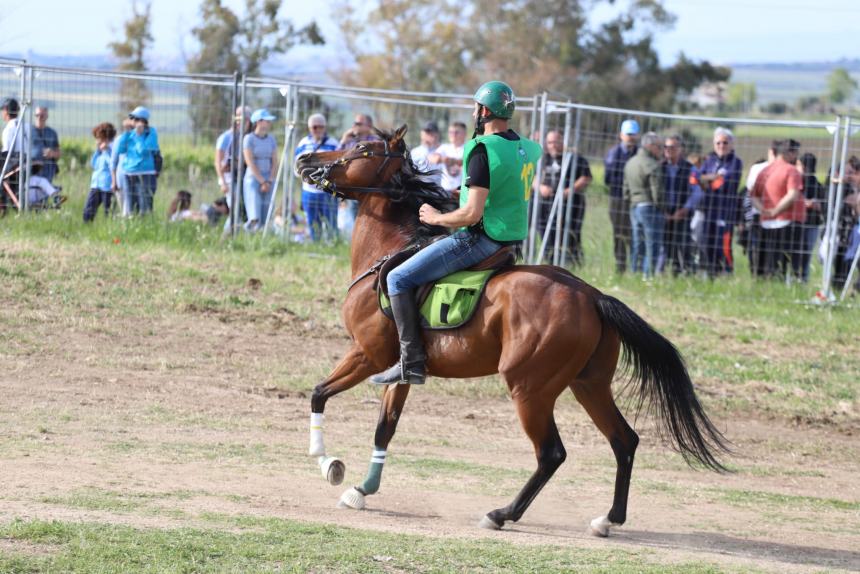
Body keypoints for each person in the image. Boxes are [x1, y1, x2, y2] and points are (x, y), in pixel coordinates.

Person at [370, 80, 541, 386]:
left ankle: (411, 363)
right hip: (511, 239)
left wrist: (437, 217)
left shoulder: (481, 149)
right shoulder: (528, 148)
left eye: (476, 106)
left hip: (479, 239)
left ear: (484, 110)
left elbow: (472, 214)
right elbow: (501, 190)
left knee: (397, 278)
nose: (475, 111)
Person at [750, 139, 804, 281]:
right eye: (796, 153)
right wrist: (776, 210)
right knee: (788, 264)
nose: (797, 156)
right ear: (790, 153)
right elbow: (792, 194)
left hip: (766, 222)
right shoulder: (792, 171)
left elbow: (754, 196)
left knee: (768, 263)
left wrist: (763, 210)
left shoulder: (765, 171)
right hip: (788, 221)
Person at [537, 129, 592, 265]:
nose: (553, 145)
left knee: (571, 234)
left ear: (563, 142)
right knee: (545, 233)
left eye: (556, 142)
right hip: (546, 204)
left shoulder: (575, 158)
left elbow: (586, 178)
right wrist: (540, 187)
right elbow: (531, 176)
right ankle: (550, 262)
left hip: (571, 204)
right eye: (550, 142)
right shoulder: (542, 158)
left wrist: (569, 190)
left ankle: (574, 264)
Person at [699, 127, 743, 277]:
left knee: (723, 245)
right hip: (708, 210)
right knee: (707, 243)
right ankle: (710, 274)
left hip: (726, 211)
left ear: (731, 144)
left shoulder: (736, 162)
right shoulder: (710, 160)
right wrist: (712, 177)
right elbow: (699, 178)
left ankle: (727, 274)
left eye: (725, 142)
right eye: (718, 143)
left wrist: (709, 179)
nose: (721, 146)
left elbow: (725, 181)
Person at [624, 132, 664, 279]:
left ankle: (634, 272)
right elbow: (657, 192)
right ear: (650, 146)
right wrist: (662, 208)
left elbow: (625, 189)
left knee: (637, 242)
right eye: (659, 146)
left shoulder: (630, 162)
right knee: (652, 243)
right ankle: (648, 275)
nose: (661, 150)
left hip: (634, 206)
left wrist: (632, 200)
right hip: (649, 207)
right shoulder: (652, 164)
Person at [661, 134, 703, 275]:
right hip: (663, 213)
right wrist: (662, 211)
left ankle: (685, 273)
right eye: (666, 147)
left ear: (680, 149)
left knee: (683, 245)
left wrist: (685, 209)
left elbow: (697, 192)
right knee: (663, 246)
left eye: (672, 147)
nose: (668, 150)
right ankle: (662, 273)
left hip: (683, 214)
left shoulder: (690, 169)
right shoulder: (659, 167)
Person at [295, 113, 340, 241]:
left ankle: (334, 244)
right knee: (312, 222)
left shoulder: (333, 144)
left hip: (327, 191)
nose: (318, 130)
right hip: (309, 191)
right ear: (309, 128)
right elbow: (296, 165)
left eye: (321, 127)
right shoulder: (303, 143)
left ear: (325, 127)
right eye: (315, 127)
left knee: (331, 221)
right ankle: (316, 244)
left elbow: (339, 167)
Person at [604, 119, 640, 273]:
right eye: (628, 134)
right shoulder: (614, 154)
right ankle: (621, 267)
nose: (630, 137)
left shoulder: (640, 153)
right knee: (618, 233)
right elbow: (608, 179)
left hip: (635, 200)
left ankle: (635, 266)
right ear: (621, 135)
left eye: (633, 134)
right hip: (617, 199)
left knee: (635, 233)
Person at [112, 106, 160, 215]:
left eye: (133, 118)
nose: (131, 121)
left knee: (144, 207)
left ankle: (144, 227)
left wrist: (138, 136)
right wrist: (126, 133)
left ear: (141, 121)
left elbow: (143, 151)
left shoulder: (151, 133)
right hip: (128, 173)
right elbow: (120, 149)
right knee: (130, 207)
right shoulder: (129, 133)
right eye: (131, 118)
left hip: (145, 173)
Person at [242, 108, 279, 232]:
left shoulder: (271, 139)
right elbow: (250, 162)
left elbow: (274, 161)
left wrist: (269, 180)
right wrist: (262, 181)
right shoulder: (249, 139)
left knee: (266, 214)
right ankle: (247, 237)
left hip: (268, 179)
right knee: (254, 215)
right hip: (253, 179)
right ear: (258, 122)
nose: (269, 123)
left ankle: (262, 239)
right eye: (266, 121)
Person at [215, 105, 251, 229]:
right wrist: (223, 182)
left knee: (239, 210)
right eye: (242, 119)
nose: (245, 123)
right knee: (235, 210)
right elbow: (218, 162)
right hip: (228, 179)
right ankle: (225, 238)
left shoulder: (244, 137)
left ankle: (233, 236)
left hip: (238, 178)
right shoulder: (226, 137)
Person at [797, 152, 826, 282]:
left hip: (811, 224)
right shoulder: (796, 182)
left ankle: (803, 279)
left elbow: (824, 206)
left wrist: (816, 205)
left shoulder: (817, 185)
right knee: (796, 253)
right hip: (798, 223)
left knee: (806, 254)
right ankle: (795, 278)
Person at [83, 122, 117, 222]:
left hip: (107, 187)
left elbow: (112, 164)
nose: (97, 141)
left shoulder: (112, 150)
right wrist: (98, 151)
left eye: (98, 138)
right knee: (87, 212)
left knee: (109, 213)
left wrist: (106, 151)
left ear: (105, 138)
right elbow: (94, 164)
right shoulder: (99, 152)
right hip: (95, 185)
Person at [429, 121, 467, 195]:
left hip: (462, 192)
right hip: (445, 191)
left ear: (464, 134)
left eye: (456, 132)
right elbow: (432, 158)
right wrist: (445, 160)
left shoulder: (468, 147)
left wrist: (449, 160)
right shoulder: (445, 147)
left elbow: (466, 162)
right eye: (451, 132)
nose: (453, 135)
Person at [110, 117, 134, 214]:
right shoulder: (119, 140)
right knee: (124, 209)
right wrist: (114, 181)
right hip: (121, 179)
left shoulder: (140, 140)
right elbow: (113, 162)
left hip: (135, 179)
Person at [31, 106, 61, 183]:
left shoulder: (52, 133)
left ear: (46, 117)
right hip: (32, 170)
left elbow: (59, 153)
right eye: (37, 115)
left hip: (47, 172)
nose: (39, 118)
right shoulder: (28, 131)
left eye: (42, 116)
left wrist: (52, 154)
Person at [410, 121, 443, 187]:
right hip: (420, 189)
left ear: (437, 135)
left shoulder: (443, 150)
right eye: (426, 132)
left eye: (431, 132)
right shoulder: (414, 152)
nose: (428, 135)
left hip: (439, 189)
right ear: (421, 134)